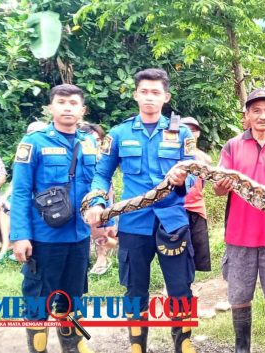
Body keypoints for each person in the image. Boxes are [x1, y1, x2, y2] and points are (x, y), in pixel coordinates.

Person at [85, 68, 197, 353]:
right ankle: (137, 347)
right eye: (144, 91)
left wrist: (185, 179)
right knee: (135, 291)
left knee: (180, 287)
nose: (149, 97)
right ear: (136, 94)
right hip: (134, 224)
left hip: (172, 222)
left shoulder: (181, 132)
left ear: (166, 97)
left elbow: (196, 173)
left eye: (156, 92)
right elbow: (101, 175)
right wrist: (98, 202)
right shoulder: (119, 133)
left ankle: (183, 345)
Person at [10, 84, 99, 353]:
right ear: (51, 107)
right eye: (61, 102)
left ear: (82, 110)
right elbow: (21, 191)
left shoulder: (90, 142)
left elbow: (96, 184)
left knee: (73, 297)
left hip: (78, 236)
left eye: (74, 103)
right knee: (38, 300)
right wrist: (20, 235)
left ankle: (72, 347)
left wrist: (103, 223)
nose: (68, 107)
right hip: (44, 238)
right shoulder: (34, 143)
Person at [213, 88, 265, 353]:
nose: (263, 116)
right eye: (256, 111)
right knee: (239, 296)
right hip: (239, 236)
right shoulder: (232, 146)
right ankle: (242, 347)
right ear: (247, 115)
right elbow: (217, 188)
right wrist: (222, 184)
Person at [0, 121, 48, 264]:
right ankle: (7, 247)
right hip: (27, 192)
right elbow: (18, 182)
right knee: (6, 206)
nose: (34, 135)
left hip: (44, 197)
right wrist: (4, 196)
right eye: (30, 131)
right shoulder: (26, 149)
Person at [79, 122, 117, 275]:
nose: (95, 143)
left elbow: (106, 185)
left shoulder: (102, 158)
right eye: (91, 140)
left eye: (98, 140)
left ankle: (103, 258)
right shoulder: (76, 155)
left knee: (99, 226)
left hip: (99, 196)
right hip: (78, 197)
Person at [180, 116, 212, 272]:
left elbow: (203, 182)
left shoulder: (204, 158)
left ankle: (189, 285)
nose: (189, 132)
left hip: (197, 208)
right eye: (185, 128)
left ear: (198, 133)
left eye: (193, 130)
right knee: (177, 249)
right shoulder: (171, 154)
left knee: (198, 250)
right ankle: (170, 286)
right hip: (177, 208)